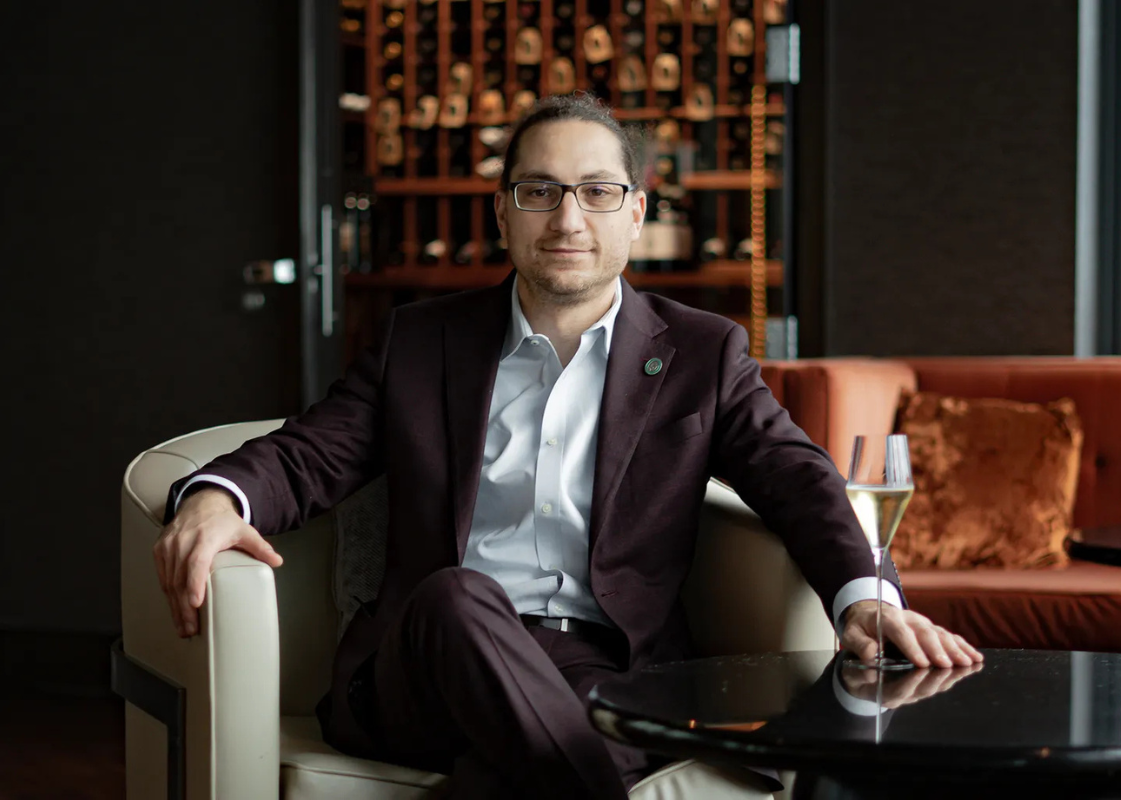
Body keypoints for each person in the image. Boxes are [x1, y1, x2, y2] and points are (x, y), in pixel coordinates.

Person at [155, 93, 982, 798]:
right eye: (540, 191)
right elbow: (310, 451)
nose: (568, 219)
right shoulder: (421, 342)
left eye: (596, 191)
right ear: (503, 211)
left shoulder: (703, 353)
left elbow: (793, 475)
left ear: (636, 212)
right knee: (457, 597)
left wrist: (864, 596)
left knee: (526, 762)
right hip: (426, 665)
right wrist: (216, 497)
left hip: (605, 671)